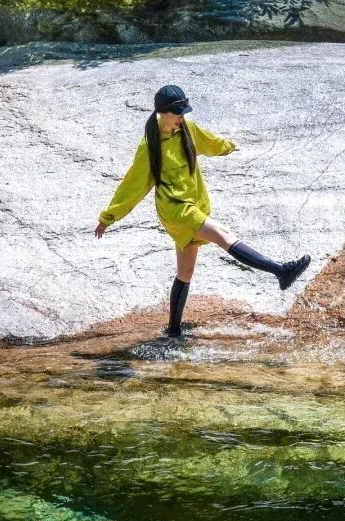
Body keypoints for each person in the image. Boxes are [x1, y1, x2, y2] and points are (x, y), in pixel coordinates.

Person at [94, 83, 311, 337]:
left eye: (184, 113)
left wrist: (229, 146)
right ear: (162, 113)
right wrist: (108, 217)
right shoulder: (150, 146)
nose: (182, 117)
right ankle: (281, 271)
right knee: (223, 234)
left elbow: (210, 142)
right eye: (178, 113)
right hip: (176, 210)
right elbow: (133, 186)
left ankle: (173, 330)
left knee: (185, 272)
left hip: (193, 204)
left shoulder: (187, 129)